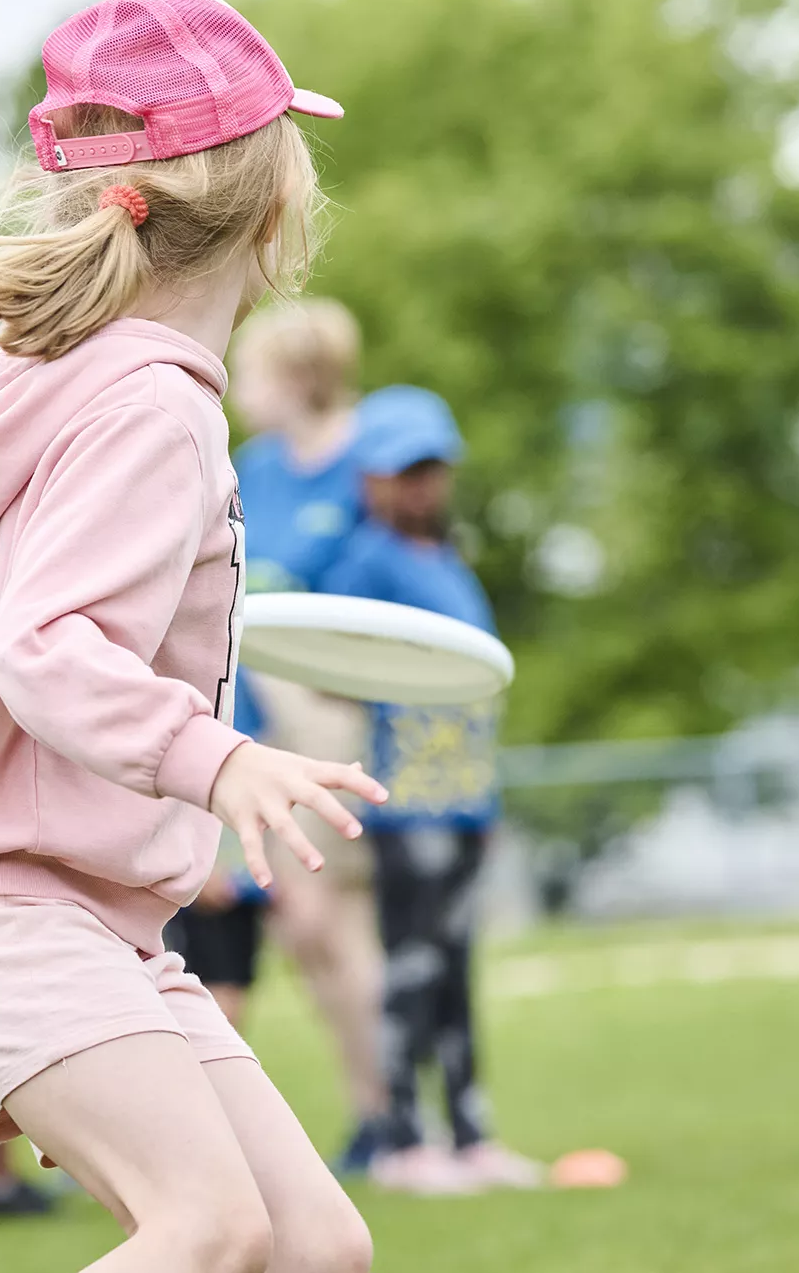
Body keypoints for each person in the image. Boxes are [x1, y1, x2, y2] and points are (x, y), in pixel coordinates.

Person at [0, 0, 382, 1273]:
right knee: (206, 1230)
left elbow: (28, 629)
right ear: (273, 209)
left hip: (89, 916)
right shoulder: (153, 408)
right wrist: (225, 759)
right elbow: (51, 644)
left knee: (316, 1245)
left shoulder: (83, 385)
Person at [318, 386, 541, 1197]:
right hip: (408, 801)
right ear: (370, 478)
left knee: (452, 970)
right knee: (408, 969)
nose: (418, 487)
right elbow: (327, 653)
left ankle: (469, 1131)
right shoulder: (364, 562)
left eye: (429, 469)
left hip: (466, 799)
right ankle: (402, 1137)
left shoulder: (444, 557)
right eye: (401, 471)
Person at [222, 300, 388, 1172]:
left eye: (250, 371)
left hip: (340, 715)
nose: (238, 388)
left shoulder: (370, 459)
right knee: (304, 931)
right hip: (265, 721)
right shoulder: (252, 469)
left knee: (333, 920)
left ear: (293, 374)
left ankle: (389, 1111)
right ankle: (373, 1107)